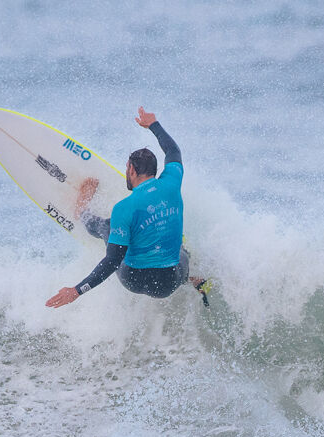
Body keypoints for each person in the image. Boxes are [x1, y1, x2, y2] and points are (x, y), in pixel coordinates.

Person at [45, 107, 208, 308]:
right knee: (183, 251)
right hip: (169, 281)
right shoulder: (172, 181)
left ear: (131, 169)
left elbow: (112, 261)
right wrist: (153, 125)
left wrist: (77, 291)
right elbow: (173, 151)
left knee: (106, 227)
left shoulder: (124, 208)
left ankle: (83, 211)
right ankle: (193, 280)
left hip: (134, 280)